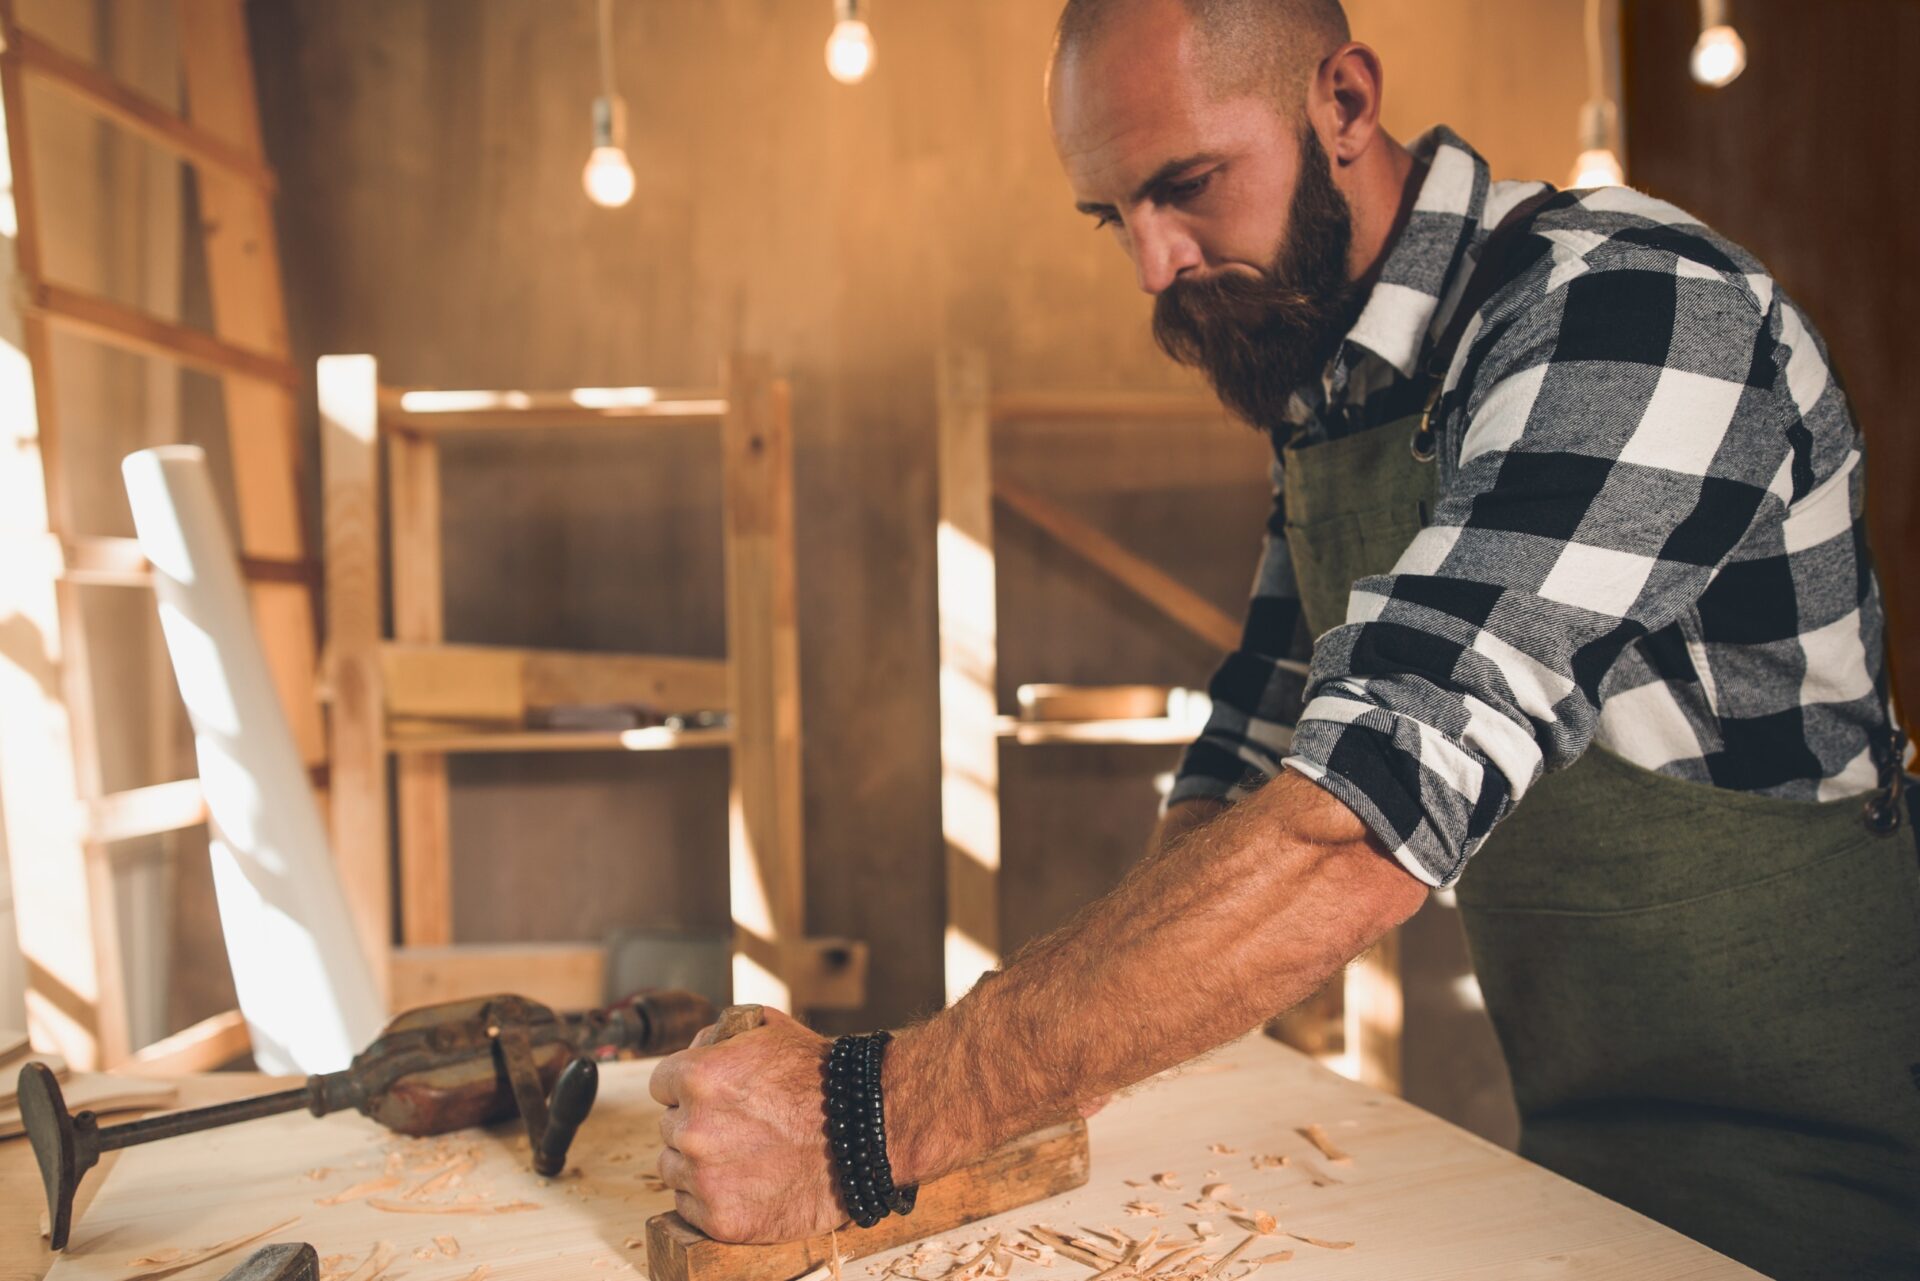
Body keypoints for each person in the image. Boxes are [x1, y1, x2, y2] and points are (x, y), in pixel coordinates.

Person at [650, 2, 1920, 1274]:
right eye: (1116, 218)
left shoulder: (1635, 314)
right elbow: (1245, 774)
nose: (1154, 264)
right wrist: (1039, 1098)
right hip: (1597, 1166)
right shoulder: (1338, 380)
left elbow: (1359, 820)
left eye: (1187, 187)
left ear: (1346, 105)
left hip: (1837, 1178)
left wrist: (876, 1118)